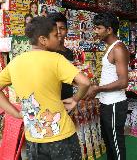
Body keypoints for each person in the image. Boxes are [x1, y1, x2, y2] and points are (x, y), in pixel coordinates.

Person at [0, 17, 90, 159]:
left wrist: (15, 113)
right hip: (62, 136)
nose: (59, 38)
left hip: (33, 138)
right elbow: (85, 82)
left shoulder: (15, 62)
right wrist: (75, 99)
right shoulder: (56, 59)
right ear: (43, 40)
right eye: (55, 35)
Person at [86, 13, 129, 160]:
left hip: (115, 104)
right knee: (109, 142)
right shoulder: (110, 47)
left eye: (98, 28)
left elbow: (124, 82)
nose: (95, 31)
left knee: (116, 144)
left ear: (109, 29)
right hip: (107, 103)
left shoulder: (118, 48)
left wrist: (99, 89)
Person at [47, 12, 74, 100]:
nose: (58, 32)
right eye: (54, 29)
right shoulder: (46, 52)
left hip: (68, 99)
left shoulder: (69, 53)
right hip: (51, 100)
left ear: (67, 30)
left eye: (62, 28)